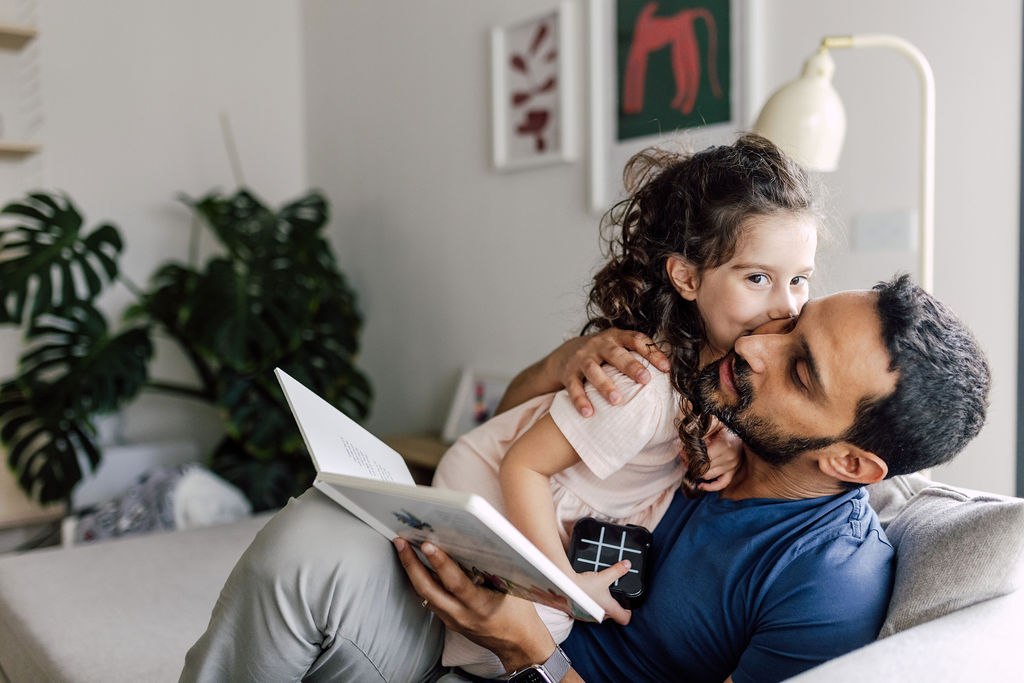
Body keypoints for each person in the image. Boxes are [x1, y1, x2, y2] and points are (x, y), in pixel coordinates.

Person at [180, 275, 990, 683]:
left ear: (851, 463)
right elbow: (510, 434)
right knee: (312, 536)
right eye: (791, 323)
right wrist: (562, 364)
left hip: (517, 661)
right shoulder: (716, 412)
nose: (755, 345)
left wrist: (527, 648)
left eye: (800, 369)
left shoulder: (829, 585)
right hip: (456, 630)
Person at [432, 134, 819, 675]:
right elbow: (522, 463)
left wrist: (732, 446)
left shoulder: (731, 373)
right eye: (758, 278)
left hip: (549, 498)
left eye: (799, 279)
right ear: (686, 277)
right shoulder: (646, 385)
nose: (787, 305)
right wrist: (563, 587)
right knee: (544, 626)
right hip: (490, 488)